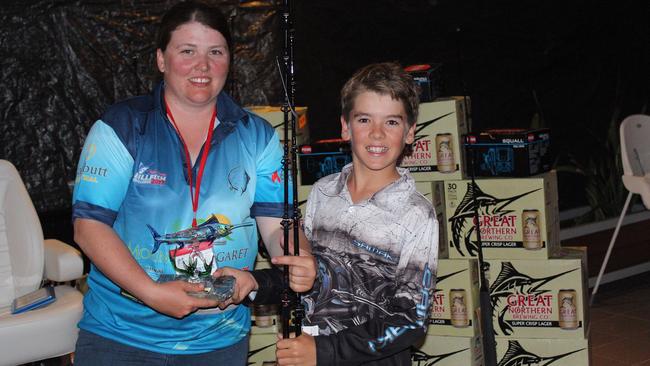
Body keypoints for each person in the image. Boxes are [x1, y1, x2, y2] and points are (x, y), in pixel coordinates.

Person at [71, 1, 315, 365]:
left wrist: (300, 255)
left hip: (219, 340)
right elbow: (89, 227)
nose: (203, 66)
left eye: (215, 52)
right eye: (187, 51)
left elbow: (279, 225)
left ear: (229, 61)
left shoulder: (257, 136)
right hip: (120, 335)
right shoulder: (122, 126)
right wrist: (151, 293)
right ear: (161, 59)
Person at [275, 62, 439, 366]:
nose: (376, 134)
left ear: (410, 132)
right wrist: (254, 285)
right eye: (364, 119)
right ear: (345, 127)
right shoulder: (322, 192)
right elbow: (307, 275)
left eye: (391, 122)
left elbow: (412, 322)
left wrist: (323, 352)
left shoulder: (418, 214)